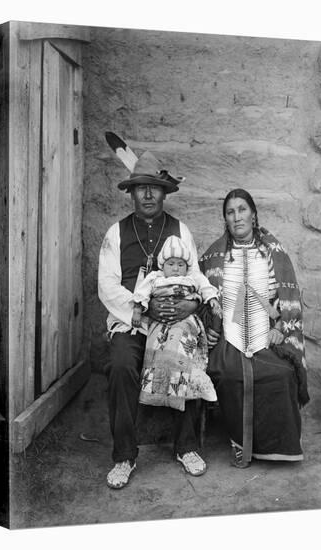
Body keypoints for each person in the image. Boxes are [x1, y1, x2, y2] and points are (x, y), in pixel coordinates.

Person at [98, 150, 208, 489]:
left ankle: (186, 447)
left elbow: (196, 278)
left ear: (164, 192)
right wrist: (143, 309)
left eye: (154, 188)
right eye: (141, 188)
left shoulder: (180, 230)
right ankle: (124, 456)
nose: (148, 195)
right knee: (119, 364)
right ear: (131, 193)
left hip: (173, 319)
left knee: (185, 356)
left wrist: (188, 306)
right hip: (132, 320)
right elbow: (106, 285)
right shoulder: (115, 233)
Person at [199, 188, 310, 468]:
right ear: (225, 219)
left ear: (253, 213)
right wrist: (208, 327)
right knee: (229, 372)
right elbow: (199, 297)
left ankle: (276, 444)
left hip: (267, 333)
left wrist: (280, 328)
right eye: (230, 212)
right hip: (229, 334)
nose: (237, 217)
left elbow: (288, 299)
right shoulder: (213, 257)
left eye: (242, 209)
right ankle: (240, 440)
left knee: (282, 373)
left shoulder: (275, 253)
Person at [132, 235, 220, 411]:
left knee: (179, 348)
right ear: (162, 265)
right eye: (171, 264)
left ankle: (189, 386)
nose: (175, 269)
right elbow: (141, 293)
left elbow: (205, 286)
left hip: (185, 320)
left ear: (186, 267)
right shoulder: (155, 277)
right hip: (160, 321)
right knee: (157, 349)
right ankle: (154, 391)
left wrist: (212, 300)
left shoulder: (191, 277)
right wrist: (137, 310)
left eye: (180, 265)